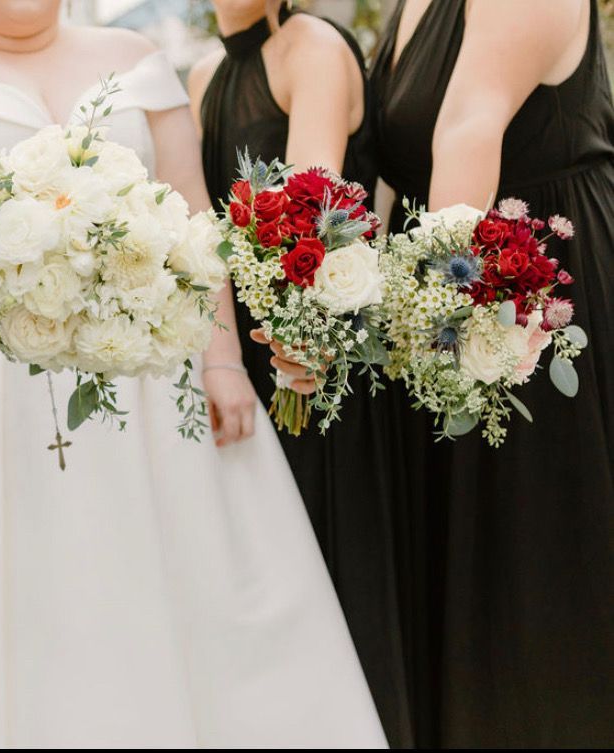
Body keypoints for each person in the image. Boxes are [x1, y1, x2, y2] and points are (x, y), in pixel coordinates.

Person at [0, 0, 386, 746]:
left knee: (187, 594)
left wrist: (222, 357)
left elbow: (193, 215)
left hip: (147, 367)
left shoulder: (135, 58)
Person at [373, 0, 614, 746]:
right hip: (441, 273)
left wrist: (429, 322)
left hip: (524, 283)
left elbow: (467, 128)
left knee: (527, 565)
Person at [187, 1, 411, 745]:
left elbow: (311, 220)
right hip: (243, 358)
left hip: (315, 358)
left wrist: (294, 343)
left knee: (329, 571)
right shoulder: (204, 72)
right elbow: (203, 230)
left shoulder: (310, 47)